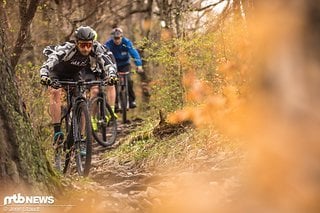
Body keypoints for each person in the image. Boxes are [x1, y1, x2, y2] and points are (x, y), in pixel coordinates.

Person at [39, 26, 117, 146]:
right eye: (82, 45)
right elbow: (51, 60)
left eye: (89, 45)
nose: (86, 49)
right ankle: (57, 131)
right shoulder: (67, 48)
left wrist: (111, 75)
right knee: (55, 92)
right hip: (56, 73)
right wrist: (44, 75)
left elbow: (107, 62)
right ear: (76, 43)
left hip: (75, 74)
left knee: (83, 100)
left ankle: (80, 138)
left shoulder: (96, 47)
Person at [104, 27, 143, 109]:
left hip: (125, 64)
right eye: (115, 38)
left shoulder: (127, 42)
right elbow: (104, 54)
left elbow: (134, 53)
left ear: (121, 37)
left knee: (129, 80)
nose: (117, 40)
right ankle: (115, 103)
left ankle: (132, 100)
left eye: (118, 38)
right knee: (113, 82)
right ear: (112, 38)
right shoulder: (109, 44)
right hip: (114, 65)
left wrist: (139, 65)